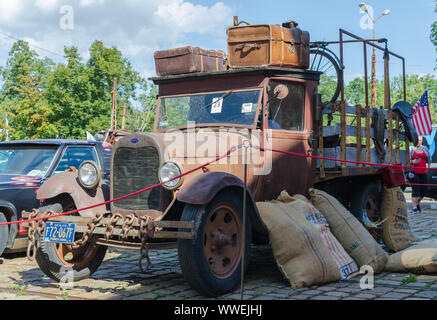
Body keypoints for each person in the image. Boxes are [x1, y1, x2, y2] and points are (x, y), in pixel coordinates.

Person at [410, 136, 431, 213]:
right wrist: (412, 161)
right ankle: (414, 207)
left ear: (422, 141)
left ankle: (417, 203)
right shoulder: (411, 149)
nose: (418, 141)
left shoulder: (424, 148)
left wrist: (428, 168)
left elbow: (429, 158)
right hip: (413, 172)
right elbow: (406, 160)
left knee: (424, 190)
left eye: (420, 140)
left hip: (423, 172)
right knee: (416, 190)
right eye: (417, 140)